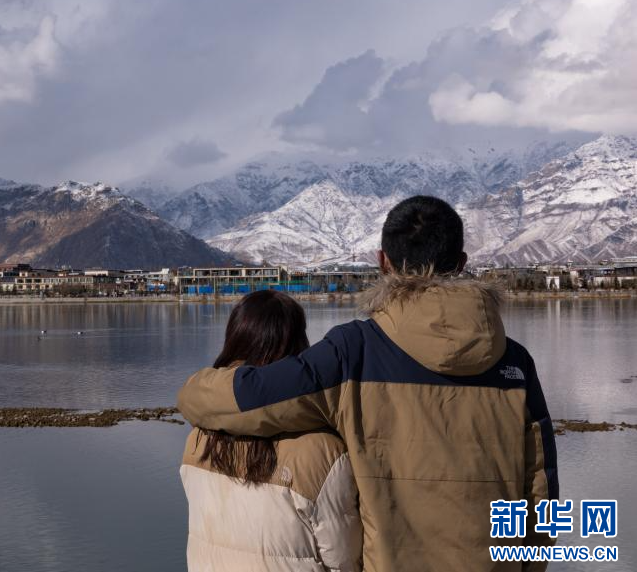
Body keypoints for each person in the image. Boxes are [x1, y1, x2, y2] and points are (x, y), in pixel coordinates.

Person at [178, 196, 557, 572]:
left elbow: (249, 399)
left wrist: (195, 388)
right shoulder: (515, 363)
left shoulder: (354, 352)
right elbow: (541, 491)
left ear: (383, 262)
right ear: (461, 263)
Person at [181, 290, 361, 572]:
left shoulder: (199, 440)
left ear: (234, 337)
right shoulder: (322, 451)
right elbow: (344, 559)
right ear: (300, 346)